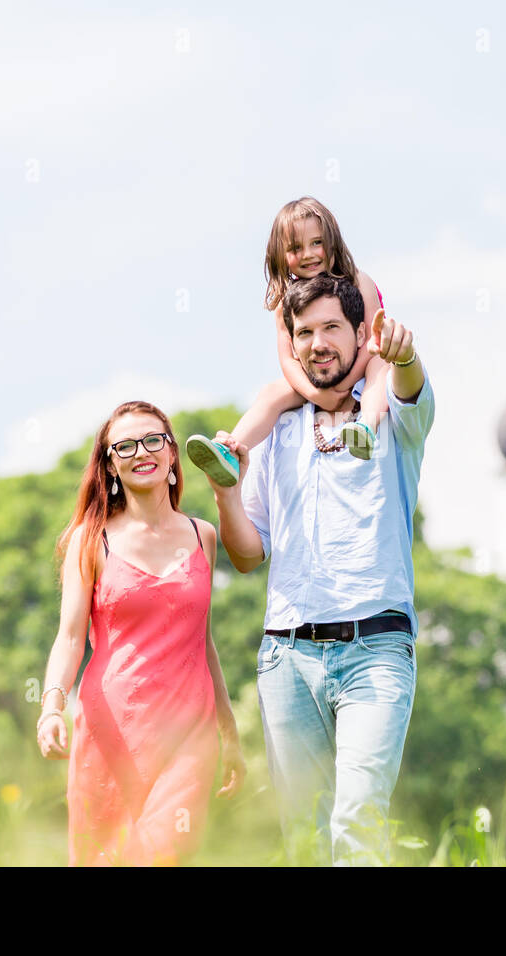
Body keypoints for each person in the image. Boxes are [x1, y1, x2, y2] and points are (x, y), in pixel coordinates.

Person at [203, 272, 434, 865]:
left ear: (362, 334)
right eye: (304, 332)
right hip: (287, 656)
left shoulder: (389, 418)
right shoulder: (276, 427)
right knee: (302, 839)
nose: (318, 342)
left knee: (356, 821)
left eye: (332, 327)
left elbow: (410, 385)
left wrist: (403, 355)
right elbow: (250, 555)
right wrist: (225, 495)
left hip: (375, 650)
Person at [37, 401, 245, 866]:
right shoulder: (90, 540)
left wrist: (228, 729)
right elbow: (70, 637)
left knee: (163, 854)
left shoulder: (203, 535)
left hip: (189, 731)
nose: (141, 452)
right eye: (125, 445)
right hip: (111, 729)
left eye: (153, 440)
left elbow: (202, 640)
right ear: (110, 463)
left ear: (172, 454)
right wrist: (51, 706)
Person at [185, 196, 391, 483]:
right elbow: (288, 360)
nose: (308, 254)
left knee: (382, 364)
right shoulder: (286, 302)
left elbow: (371, 341)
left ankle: (366, 427)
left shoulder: (358, 280)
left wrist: (344, 385)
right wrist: (317, 394)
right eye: (295, 248)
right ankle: (230, 450)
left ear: (333, 242)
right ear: (280, 255)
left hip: (357, 365)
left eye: (316, 243)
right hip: (316, 376)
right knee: (271, 392)